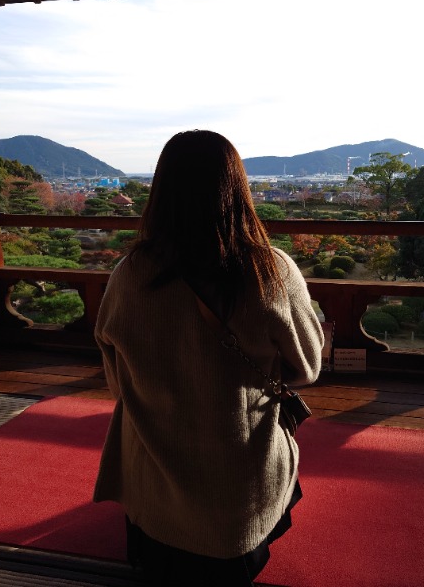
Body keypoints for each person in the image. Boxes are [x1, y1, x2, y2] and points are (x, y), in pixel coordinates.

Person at [93, 129, 324, 586]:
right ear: (237, 187)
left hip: (153, 472)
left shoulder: (130, 273)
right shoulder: (271, 271)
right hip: (238, 476)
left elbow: (117, 379)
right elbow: (307, 368)